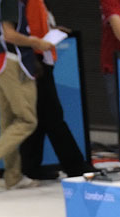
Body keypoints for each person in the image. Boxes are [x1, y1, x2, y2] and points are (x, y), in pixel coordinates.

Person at [0, 0, 52, 190]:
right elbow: (9, 35)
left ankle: (13, 176)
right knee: (27, 120)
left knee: (8, 121)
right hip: (12, 62)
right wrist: (37, 42)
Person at [20, 0, 93, 180]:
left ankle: (30, 167)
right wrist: (32, 57)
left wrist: (54, 31)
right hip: (35, 62)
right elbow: (23, 32)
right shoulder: (29, 2)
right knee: (53, 116)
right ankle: (75, 166)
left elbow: (37, 28)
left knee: (40, 117)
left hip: (41, 60)